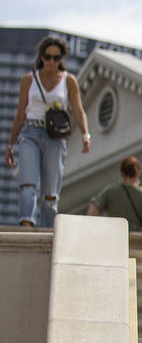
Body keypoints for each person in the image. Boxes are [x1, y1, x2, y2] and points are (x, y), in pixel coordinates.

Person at [4, 35, 91, 227]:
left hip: (55, 137)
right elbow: (20, 113)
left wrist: (86, 134)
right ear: (41, 57)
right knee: (28, 183)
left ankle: (48, 231)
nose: (51, 61)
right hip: (30, 133)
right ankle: (27, 224)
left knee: (51, 192)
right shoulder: (29, 79)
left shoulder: (69, 81)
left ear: (62, 59)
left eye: (56, 57)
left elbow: (78, 110)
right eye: (47, 56)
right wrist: (10, 145)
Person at [88, 155, 142, 230]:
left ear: (122, 174)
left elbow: (92, 211)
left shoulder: (110, 191)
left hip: (115, 236)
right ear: (137, 173)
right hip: (136, 238)